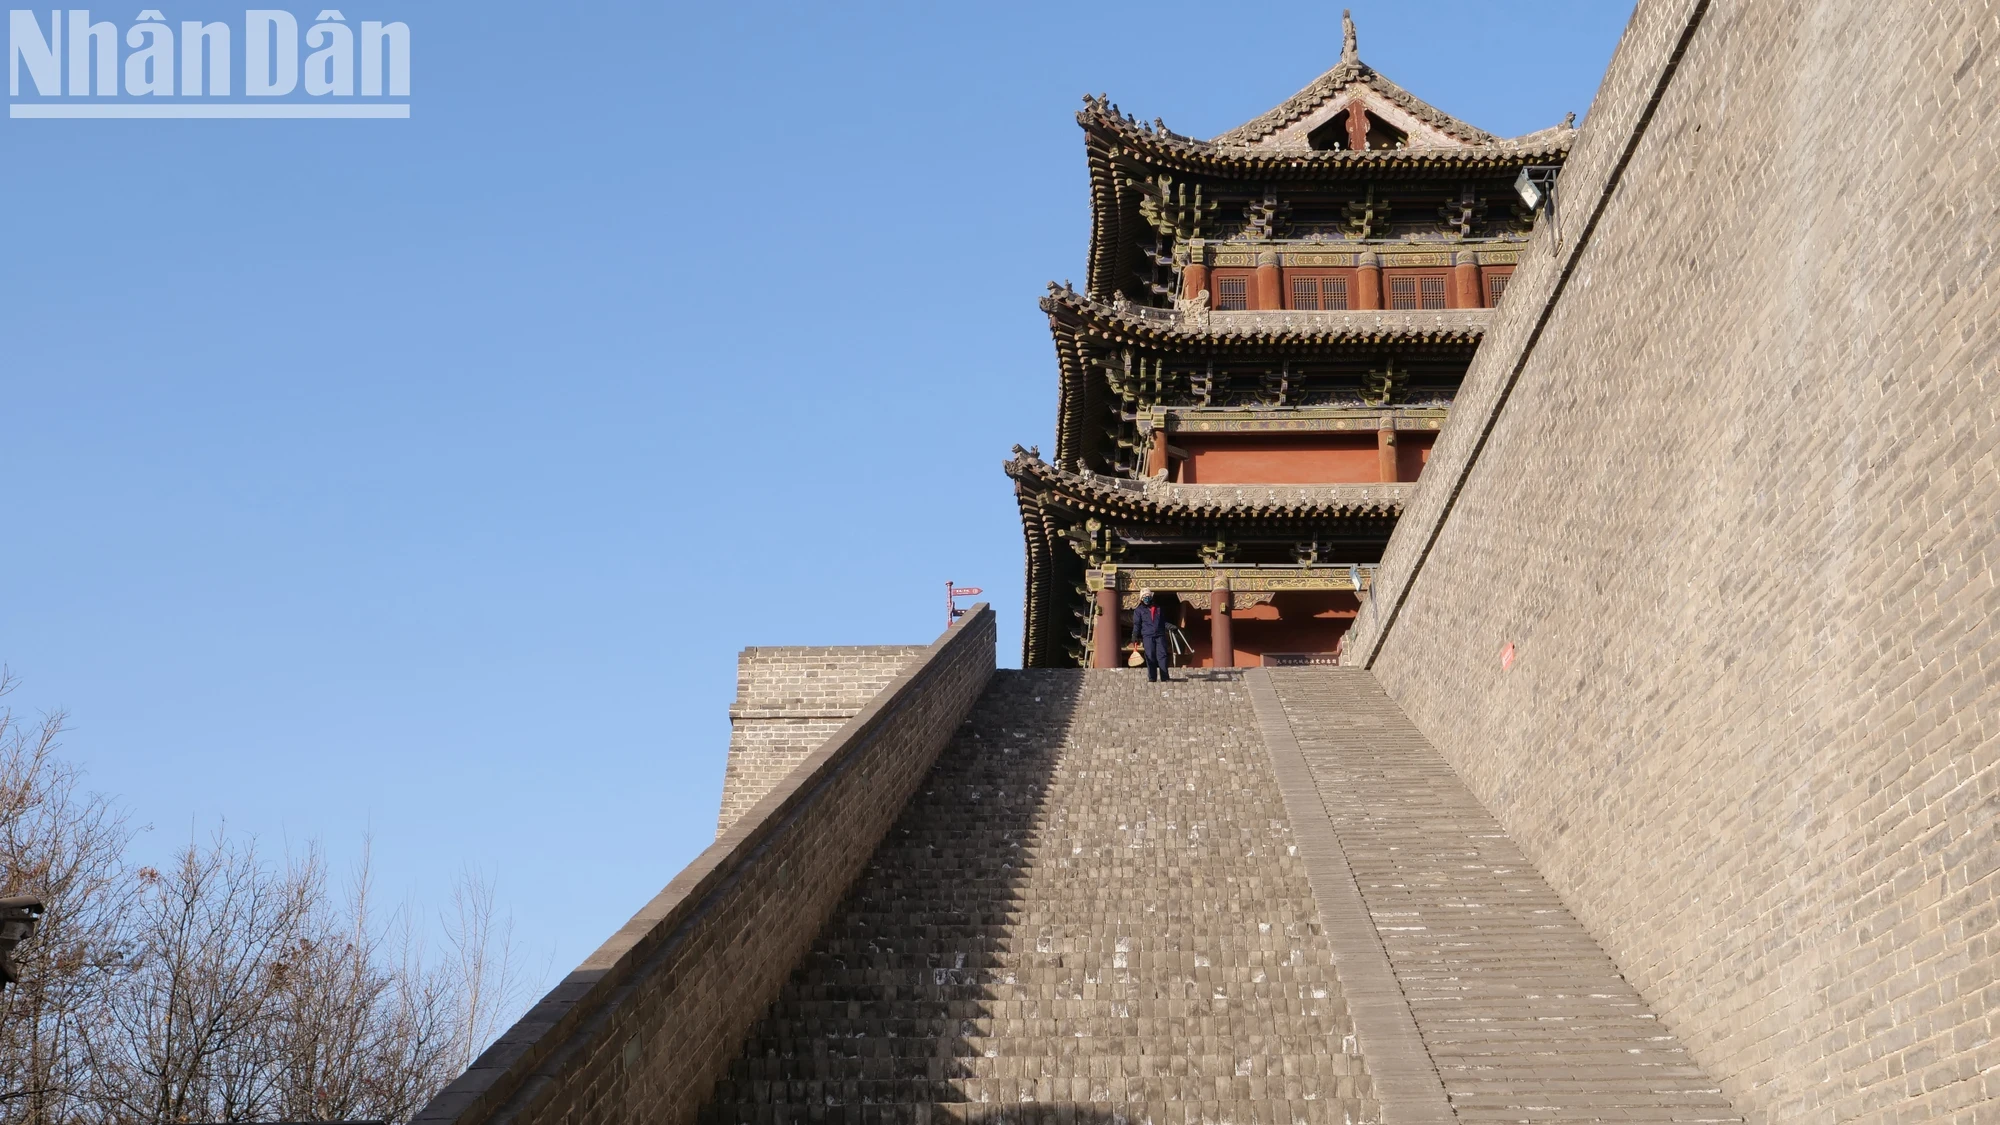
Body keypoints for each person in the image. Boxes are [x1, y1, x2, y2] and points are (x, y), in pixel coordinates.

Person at [1129, 588, 1174, 683]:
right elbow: (1137, 624)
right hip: (1148, 636)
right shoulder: (1138, 611)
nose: (1146, 598)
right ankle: (1152, 678)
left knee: (1162, 656)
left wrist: (1169, 626)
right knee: (1150, 656)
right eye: (1144, 597)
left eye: (1148, 596)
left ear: (1151, 597)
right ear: (1141, 599)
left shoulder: (1158, 609)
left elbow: (1162, 622)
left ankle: (1165, 677)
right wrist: (1135, 636)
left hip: (1160, 635)